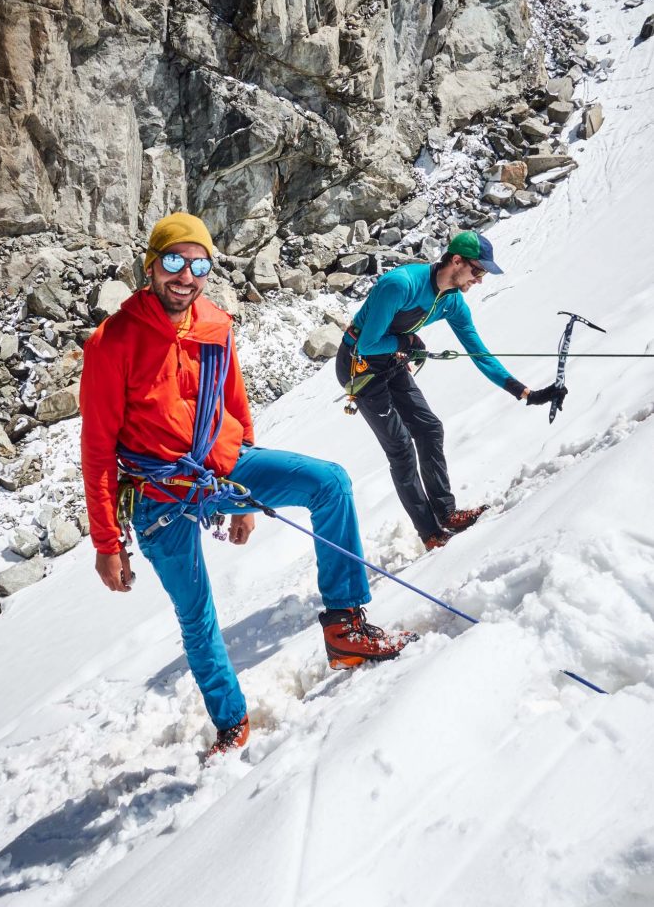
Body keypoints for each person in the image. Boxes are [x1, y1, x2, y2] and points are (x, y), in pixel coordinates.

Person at [80, 212, 415, 758]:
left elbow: (234, 404)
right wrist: (106, 543)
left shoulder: (215, 324)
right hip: (158, 495)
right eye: (173, 262)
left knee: (330, 484)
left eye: (199, 264)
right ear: (150, 266)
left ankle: (346, 625)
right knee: (196, 612)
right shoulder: (111, 343)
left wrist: (244, 500)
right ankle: (231, 721)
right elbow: (96, 451)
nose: (185, 276)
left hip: (222, 467)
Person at [336, 231, 567, 551]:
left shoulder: (452, 303)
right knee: (401, 448)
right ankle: (430, 533)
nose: (481, 280)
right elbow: (368, 342)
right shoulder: (401, 285)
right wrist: (408, 342)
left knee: (429, 429)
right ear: (456, 261)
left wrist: (524, 392)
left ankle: (446, 513)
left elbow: (477, 351)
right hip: (358, 364)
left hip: (390, 358)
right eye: (478, 271)